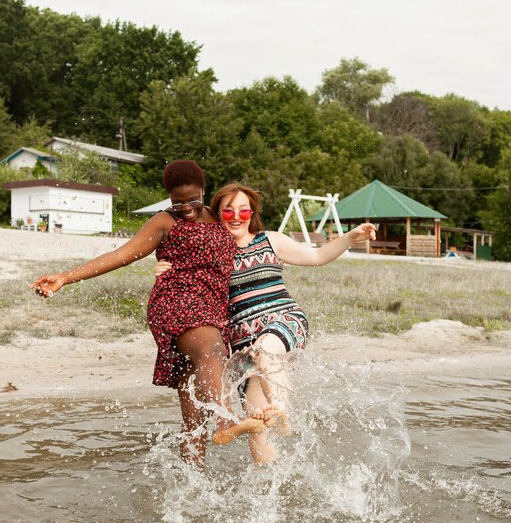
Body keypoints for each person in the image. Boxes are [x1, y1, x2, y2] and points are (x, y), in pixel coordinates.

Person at [30, 162, 267, 468]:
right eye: (177, 201)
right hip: (176, 302)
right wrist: (65, 277)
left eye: (192, 199)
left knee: (192, 409)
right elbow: (121, 255)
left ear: (203, 191)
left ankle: (191, 488)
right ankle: (225, 421)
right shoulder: (164, 222)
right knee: (212, 351)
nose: (185, 208)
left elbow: (250, 240)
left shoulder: (220, 216)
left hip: (214, 310)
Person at [156, 182, 377, 464]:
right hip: (242, 348)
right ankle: (271, 487)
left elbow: (317, 256)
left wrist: (349, 237)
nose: (236, 216)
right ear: (216, 214)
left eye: (243, 210)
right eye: (228, 211)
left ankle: (284, 414)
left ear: (252, 213)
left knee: (265, 353)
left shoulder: (270, 240)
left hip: (284, 320)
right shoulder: (210, 253)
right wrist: (164, 269)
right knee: (258, 433)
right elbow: (184, 283)